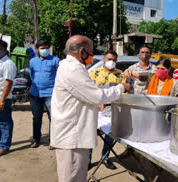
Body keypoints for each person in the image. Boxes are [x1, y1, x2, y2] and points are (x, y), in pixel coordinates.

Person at [51, 35, 131, 182]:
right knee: (72, 177)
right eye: (91, 52)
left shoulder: (71, 66)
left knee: (76, 175)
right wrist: (120, 87)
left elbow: (87, 89)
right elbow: (96, 97)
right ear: (82, 52)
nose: (93, 56)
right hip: (72, 135)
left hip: (73, 132)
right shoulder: (73, 68)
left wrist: (109, 86)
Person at [88, 50, 126, 170]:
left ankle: (105, 158)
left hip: (113, 108)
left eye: (114, 60)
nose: (112, 62)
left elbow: (123, 92)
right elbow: (89, 91)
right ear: (104, 60)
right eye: (109, 59)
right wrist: (98, 103)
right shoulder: (94, 73)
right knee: (90, 134)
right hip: (96, 107)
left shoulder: (120, 74)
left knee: (110, 134)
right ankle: (87, 160)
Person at [29, 40, 60, 149]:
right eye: (42, 48)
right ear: (37, 49)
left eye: (46, 48)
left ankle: (53, 140)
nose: (44, 50)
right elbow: (31, 75)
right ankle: (36, 139)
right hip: (35, 93)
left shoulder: (55, 60)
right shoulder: (33, 61)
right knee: (36, 117)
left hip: (51, 93)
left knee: (53, 117)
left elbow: (59, 76)